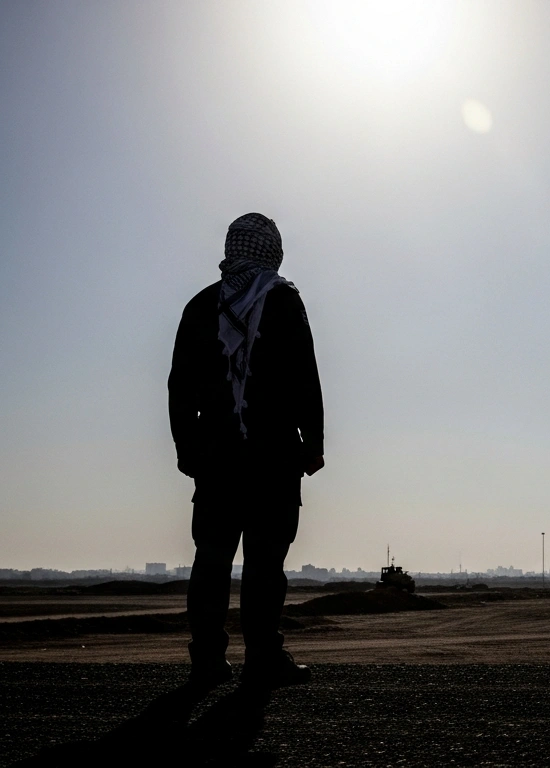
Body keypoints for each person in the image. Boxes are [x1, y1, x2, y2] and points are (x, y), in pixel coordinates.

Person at [168, 212, 324, 691]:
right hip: (273, 459)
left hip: (216, 460)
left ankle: (208, 663)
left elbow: (179, 387)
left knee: (211, 562)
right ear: (271, 250)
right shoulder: (282, 300)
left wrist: (188, 449)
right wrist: (312, 445)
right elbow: (305, 377)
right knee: (264, 565)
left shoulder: (200, 306)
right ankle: (262, 659)